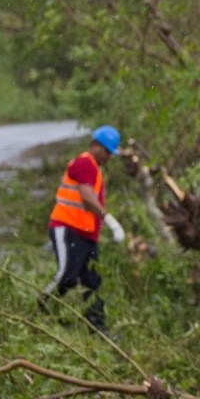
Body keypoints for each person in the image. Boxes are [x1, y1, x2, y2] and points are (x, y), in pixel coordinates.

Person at [44, 125, 119, 329]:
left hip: (86, 235)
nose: (109, 157)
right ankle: (42, 307)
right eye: (107, 152)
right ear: (96, 145)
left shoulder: (93, 167)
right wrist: (110, 220)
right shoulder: (85, 163)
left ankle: (97, 328)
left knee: (92, 281)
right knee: (67, 276)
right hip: (68, 229)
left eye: (111, 154)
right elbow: (87, 198)